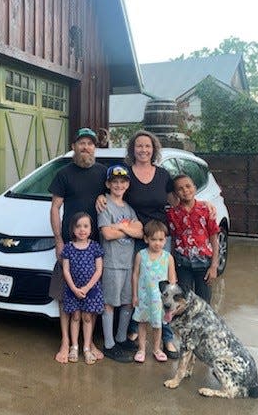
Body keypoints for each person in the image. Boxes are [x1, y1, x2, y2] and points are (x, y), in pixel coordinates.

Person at [97, 130, 179, 358]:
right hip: (133, 241)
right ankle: (132, 332)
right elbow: (113, 192)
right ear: (133, 149)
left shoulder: (163, 175)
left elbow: (179, 199)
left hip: (159, 239)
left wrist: (205, 205)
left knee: (163, 287)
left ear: (154, 149)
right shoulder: (127, 175)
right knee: (135, 288)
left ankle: (167, 337)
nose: (143, 150)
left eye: (148, 146)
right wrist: (100, 197)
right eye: (139, 146)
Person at [49, 127, 107, 363]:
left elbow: (115, 195)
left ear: (95, 148)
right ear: (74, 146)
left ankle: (88, 342)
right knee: (66, 297)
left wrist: (104, 196)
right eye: (81, 143)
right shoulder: (63, 174)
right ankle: (65, 341)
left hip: (94, 246)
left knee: (91, 296)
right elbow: (55, 208)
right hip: (70, 246)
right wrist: (59, 241)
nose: (86, 147)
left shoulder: (103, 172)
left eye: (90, 144)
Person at [97, 165, 143, 363]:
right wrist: (126, 228)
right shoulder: (105, 204)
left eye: (122, 182)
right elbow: (106, 233)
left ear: (127, 184)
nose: (118, 185)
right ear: (108, 184)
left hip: (128, 262)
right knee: (109, 302)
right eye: (114, 182)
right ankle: (108, 344)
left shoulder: (129, 208)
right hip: (112, 262)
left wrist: (119, 227)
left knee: (126, 301)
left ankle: (121, 338)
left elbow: (140, 231)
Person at [166, 174, 220, 304]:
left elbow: (214, 239)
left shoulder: (206, 210)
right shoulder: (172, 214)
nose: (185, 190)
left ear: (195, 188)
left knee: (204, 303)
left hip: (204, 264)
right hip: (182, 264)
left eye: (188, 186)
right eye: (180, 188)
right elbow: (173, 240)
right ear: (175, 193)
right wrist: (172, 267)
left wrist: (214, 265)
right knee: (184, 301)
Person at [62, 212, 105, 364]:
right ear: (73, 229)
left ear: (91, 229)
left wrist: (86, 288)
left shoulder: (95, 247)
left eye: (85, 226)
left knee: (87, 317)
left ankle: (86, 348)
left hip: (91, 290)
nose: (82, 229)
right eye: (78, 226)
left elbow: (99, 270)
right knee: (75, 317)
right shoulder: (68, 248)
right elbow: (66, 270)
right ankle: (74, 346)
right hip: (73, 289)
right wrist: (74, 288)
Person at [131, 220, 176, 363]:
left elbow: (172, 279)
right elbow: (135, 274)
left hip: (160, 300)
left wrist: (171, 300)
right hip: (144, 296)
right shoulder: (141, 255)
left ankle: (157, 348)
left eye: (161, 240)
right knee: (142, 323)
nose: (157, 243)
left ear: (165, 240)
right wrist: (134, 295)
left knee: (158, 324)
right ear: (146, 239)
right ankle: (141, 349)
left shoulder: (168, 257)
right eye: (154, 239)